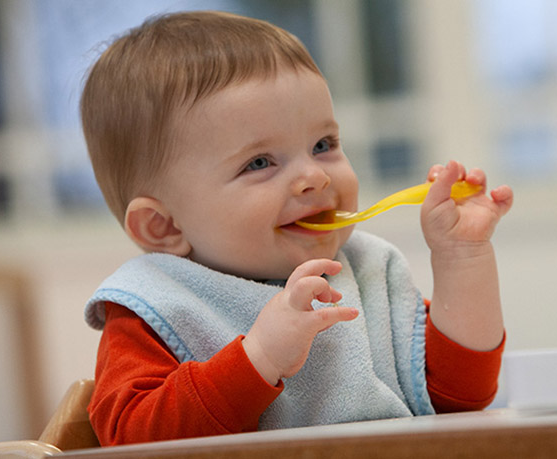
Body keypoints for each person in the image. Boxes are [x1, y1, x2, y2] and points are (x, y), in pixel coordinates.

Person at [80, 10, 513, 446]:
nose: (316, 176)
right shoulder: (156, 307)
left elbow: (459, 398)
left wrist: (462, 257)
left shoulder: (365, 270)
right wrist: (258, 358)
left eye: (323, 145)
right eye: (260, 163)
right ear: (163, 226)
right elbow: (132, 442)